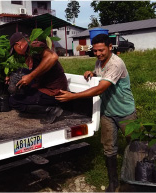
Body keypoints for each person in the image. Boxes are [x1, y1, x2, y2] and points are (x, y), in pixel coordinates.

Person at [55, 34, 137, 192]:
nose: (98, 53)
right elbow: (99, 76)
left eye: (102, 50)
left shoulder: (116, 64)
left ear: (110, 48)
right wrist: (92, 74)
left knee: (135, 144)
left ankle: (134, 180)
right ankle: (113, 183)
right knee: (109, 148)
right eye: (96, 50)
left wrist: (73, 96)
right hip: (107, 112)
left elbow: (100, 88)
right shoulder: (99, 62)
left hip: (125, 111)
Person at [7, 32, 68, 124]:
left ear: (18, 45)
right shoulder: (28, 53)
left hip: (53, 91)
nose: (16, 53)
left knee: (14, 101)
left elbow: (53, 57)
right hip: (44, 86)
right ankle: (42, 106)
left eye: (14, 49)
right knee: (21, 73)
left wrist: (30, 76)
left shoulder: (35, 46)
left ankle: (51, 109)